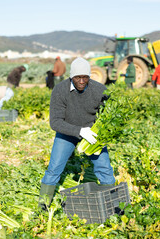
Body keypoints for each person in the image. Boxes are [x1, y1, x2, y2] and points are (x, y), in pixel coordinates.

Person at [38, 57, 116, 209]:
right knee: (54, 168)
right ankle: (43, 205)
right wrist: (79, 131)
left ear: (89, 76)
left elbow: (110, 114)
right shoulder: (60, 90)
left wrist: (100, 132)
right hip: (67, 132)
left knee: (104, 168)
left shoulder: (100, 90)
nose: (81, 81)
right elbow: (55, 122)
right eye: (77, 77)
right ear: (71, 77)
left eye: (85, 77)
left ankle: (113, 204)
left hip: (92, 135)